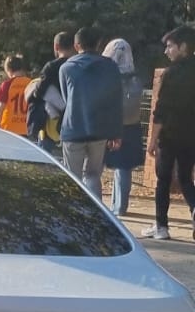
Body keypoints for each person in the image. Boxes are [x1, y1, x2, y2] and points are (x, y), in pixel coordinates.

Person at [142, 24, 195, 241]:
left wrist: (152, 140)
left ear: (183, 46)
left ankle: (161, 226)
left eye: (170, 46)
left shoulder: (171, 74)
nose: (166, 51)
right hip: (191, 136)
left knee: (163, 180)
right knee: (185, 178)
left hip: (170, 135)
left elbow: (160, 111)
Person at [59, 26, 123, 199]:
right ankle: (96, 213)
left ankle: (73, 214)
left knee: (72, 177)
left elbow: (66, 98)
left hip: (73, 128)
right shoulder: (110, 66)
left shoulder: (67, 67)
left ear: (76, 44)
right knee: (93, 175)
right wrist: (116, 132)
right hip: (99, 130)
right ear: (99, 43)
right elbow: (116, 100)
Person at [102, 38, 145, 218]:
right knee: (124, 168)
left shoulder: (109, 78)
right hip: (133, 126)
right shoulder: (136, 78)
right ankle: (120, 205)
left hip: (114, 126)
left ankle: (116, 207)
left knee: (103, 168)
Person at [25, 31, 75, 157]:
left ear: (56, 47)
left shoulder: (51, 67)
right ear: (75, 46)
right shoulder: (77, 66)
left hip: (50, 123)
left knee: (45, 157)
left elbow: (39, 92)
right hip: (74, 120)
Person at [0, 55, 32, 135]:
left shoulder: (7, 85)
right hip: (26, 128)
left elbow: (2, 106)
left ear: (10, 70)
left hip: (9, 129)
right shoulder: (31, 83)